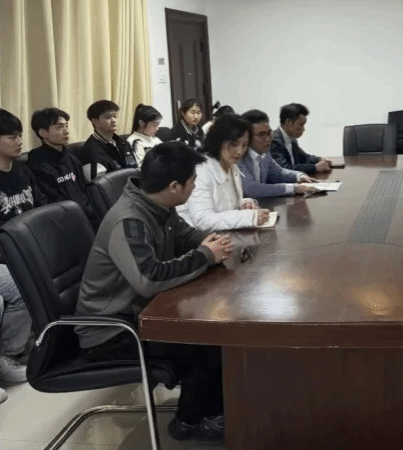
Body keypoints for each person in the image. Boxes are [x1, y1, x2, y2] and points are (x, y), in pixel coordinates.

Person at [74, 141, 233, 441]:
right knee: (206, 343)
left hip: (139, 312)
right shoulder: (130, 220)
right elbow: (149, 278)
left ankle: (212, 412)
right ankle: (189, 422)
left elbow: (185, 236)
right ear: (174, 187)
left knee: (211, 333)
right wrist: (204, 256)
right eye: (192, 180)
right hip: (109, 332)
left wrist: (213, 242)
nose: (195, 185)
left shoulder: (158, 204)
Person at [0, 109, 42, 404]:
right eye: (12, 136)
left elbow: (38, 212)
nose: (19, 141)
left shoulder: (23, 171)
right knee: (18, 285)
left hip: (25, 246)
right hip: (4, 256)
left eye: (19, 135)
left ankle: (39, 341)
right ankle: (8, 354)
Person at [177, 114, 270, 230]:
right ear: (218, 141)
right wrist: (249, 217)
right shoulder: (201, 170)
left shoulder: (231, 166)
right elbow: (202, 220)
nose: (239, 151)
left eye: (245, 145)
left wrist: (244, 204)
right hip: (197, 237)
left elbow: (225, 205)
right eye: (234, 144)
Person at [27, 107, 98, 228]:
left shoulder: (71, 159)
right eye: (59, 127)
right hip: (66, 222)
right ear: (43, 133)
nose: (66, 131)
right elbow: (53, 204)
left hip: (88, 214)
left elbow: (84, 191)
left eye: (66, 126)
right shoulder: (37, 165)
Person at [239, 109, 318, 198]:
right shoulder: (239, 157)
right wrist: (293, 188)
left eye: (269, 133)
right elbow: (252, 189)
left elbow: (279, 172)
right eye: (261, 135)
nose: (267, 139)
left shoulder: (265, 153)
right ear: (247, 137)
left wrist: (298, 176)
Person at [78, 100, 138, 180]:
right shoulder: (91, 150)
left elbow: (134, 169)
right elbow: (98, 183)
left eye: (115, 116)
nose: (113, 120)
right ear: (94, 121)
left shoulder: (123, 143)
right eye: (108, 117)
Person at [270, 103, 331, 174]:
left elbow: (304, 157)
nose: (303, 129)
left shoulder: (291, 138)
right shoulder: (274, 141)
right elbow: (283, 169)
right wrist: (314, 167)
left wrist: (320, 159)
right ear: (289, 123)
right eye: (301, 125)